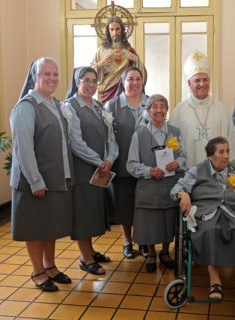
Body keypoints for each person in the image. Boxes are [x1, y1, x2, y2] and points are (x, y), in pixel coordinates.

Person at [171, 137, 235, 301]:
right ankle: (214, 280)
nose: (226, 156)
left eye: (227, 151)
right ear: (210, 155)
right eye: (221, 152)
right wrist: (183, 194)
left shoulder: (234, 169)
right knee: (209, 230)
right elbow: (177, 188)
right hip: (207, 213)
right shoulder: (198, 170)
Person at [10, 57, 73, 292]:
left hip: (54, 179)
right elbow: (23, 148)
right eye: (46, 74)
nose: (52, 79)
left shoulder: (56, 104)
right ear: (35, 78)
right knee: (36, 228)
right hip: (34, 182)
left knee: (49, 226)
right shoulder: (26, 106)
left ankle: (50, 266)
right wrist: (35, 180)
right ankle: (37, 271)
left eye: (55, 74)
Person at [62, 67, 119, 275]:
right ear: (77, 82)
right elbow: (76, 142)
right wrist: (98, 161)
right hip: (83, 170)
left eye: (94, 81)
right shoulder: (69, 107)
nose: (90, 85)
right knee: (83, 213)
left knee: (94, 211)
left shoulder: (98, 106)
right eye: (85, 80)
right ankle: (85, 258)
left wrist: (110, 158)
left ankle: (91, 250)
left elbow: (111, 138)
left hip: (100, 170)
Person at [126, 94, 186, 273]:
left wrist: (179, 163)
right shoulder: (139, 135)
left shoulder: (176, 132)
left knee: (169, 220)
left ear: (167, 110)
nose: (159, 110)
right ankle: (151, 253)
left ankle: (165, 252)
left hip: (171, 185)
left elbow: (184, 156)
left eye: (163, 106)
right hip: (149, 187)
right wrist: (149, 171)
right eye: (155, 107)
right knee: (150, 223)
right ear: (148, 110)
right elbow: (130, 164)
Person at [169, 50, 235, 168]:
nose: (202, 84)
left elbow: (231, 143)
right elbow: (171, 146)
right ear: (189, 83)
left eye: (205, 80)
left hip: (217, 173)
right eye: (197, 80)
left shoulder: (220, 109)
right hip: (188, 174)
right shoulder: (179, 111)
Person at [105, 66, 149, 259]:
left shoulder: (150, 103)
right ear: (122, 82)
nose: (134, 83)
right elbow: (107, 137)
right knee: (124, 205)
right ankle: (127, 241)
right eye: (130, 79)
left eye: (138, 79)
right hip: (121, 163)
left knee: (144, 205)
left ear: (143, 82)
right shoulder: (111, 106)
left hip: (147, 165)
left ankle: (145, 241)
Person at [91, 16, 146, 103]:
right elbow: (89, 73)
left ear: (122, 30)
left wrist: (135, 59)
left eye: (117, 29)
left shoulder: (129, 50)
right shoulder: (101, 51)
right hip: (107, 90)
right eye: (111, 29)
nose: (115, 33)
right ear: (108, 31)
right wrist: (99, 65)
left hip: (126, 91)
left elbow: (141, 72)